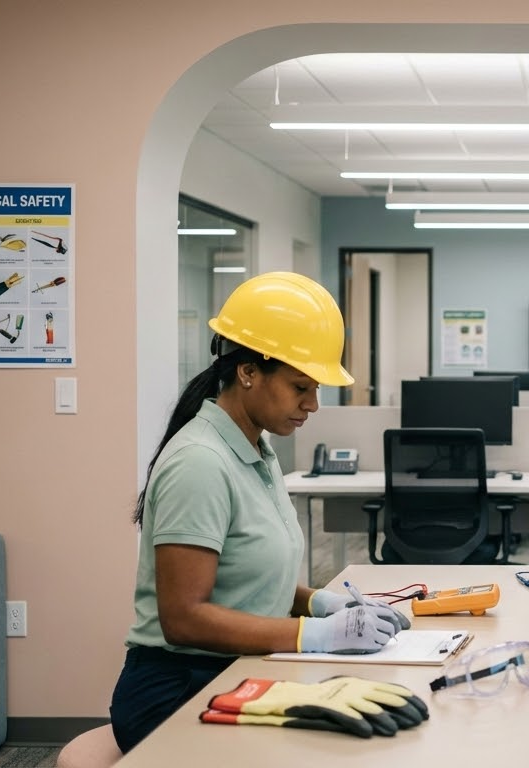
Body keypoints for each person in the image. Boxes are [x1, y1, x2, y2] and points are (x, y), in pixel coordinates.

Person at [110, 272, 409, 752]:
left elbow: (245, 575)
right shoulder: (200, 464)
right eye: (299, 387)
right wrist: (317, 634)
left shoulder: (257, 451)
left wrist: (319, 603)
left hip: (239, 666)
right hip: (177, 691)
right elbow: (183, 618)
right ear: (248, 372)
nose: (312, 404)